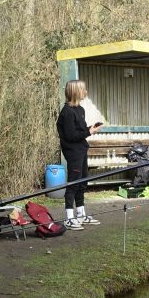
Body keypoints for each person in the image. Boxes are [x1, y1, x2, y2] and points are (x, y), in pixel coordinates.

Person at [57, 78, 102, 230]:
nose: (86, 92)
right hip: (73, 153)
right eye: (83, 89)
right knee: (73, 184)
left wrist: (90, 128)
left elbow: (79, 132)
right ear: (76, 92)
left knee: (82, 182)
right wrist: (89, 131)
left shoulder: (80, 110)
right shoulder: (67, 112)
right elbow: (70, 136)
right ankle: (69, 218)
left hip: (82, 150)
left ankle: (81, 214)